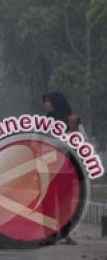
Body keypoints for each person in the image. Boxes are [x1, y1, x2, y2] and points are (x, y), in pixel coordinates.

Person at [42, 92, 82, 245]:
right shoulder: (45, 122)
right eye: (44, 101)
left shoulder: (71, 121)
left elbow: (78, 141)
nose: (45, 104)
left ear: (57, 102)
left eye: (48, 101)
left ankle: (66, 233)